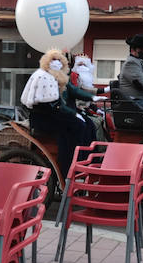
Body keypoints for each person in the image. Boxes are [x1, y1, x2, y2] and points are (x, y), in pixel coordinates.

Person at [22, 48, 95, 177]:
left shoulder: (59, 76)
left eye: (59, 60)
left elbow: (72, 93)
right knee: (73, 128)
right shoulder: (43, 76)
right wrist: (72, 114)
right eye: (54, 60)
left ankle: (84, 161)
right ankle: (67, 168)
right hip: (43, 117)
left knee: (88, 125)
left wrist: (94, 97)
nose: (57, 63)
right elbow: (51, 104)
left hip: (53, 113)